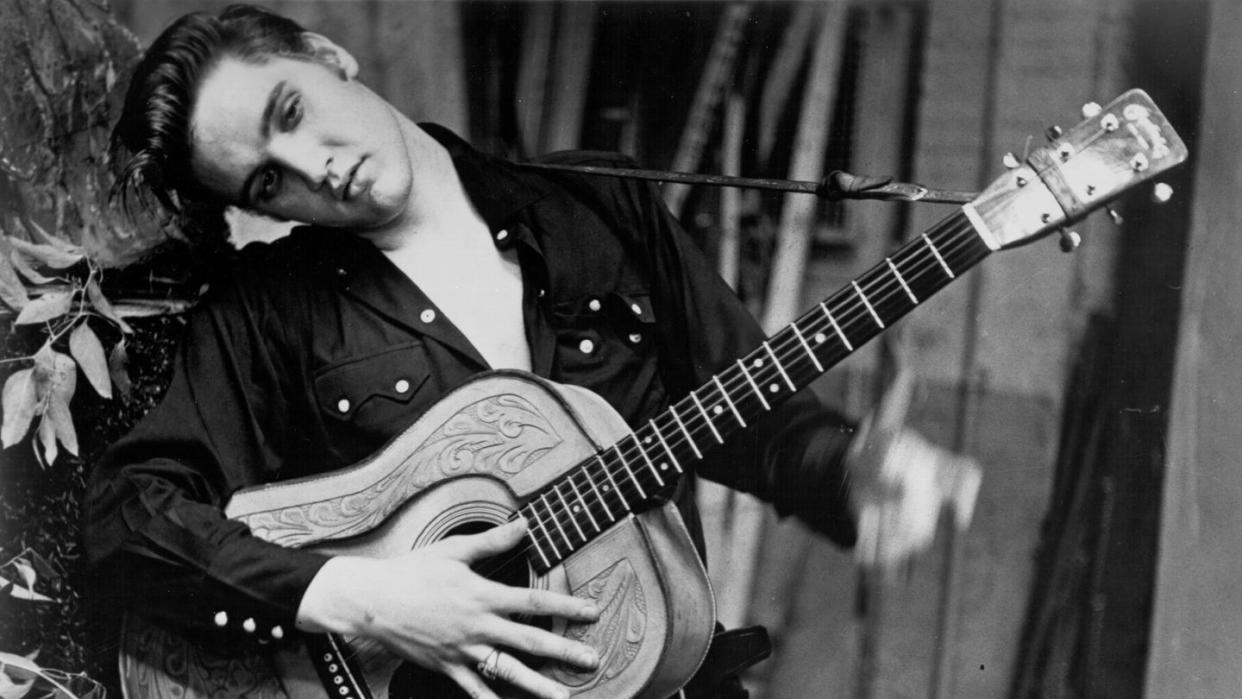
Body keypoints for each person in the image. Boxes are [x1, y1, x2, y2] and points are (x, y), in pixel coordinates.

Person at [86, 5, 979, 699]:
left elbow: (751, 416)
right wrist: (368, 599)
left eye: (292, 111)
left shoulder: (596, 203)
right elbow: (129, 512)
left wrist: (855, 469)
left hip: (655, 674)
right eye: (268, 181)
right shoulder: (266, 313)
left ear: (328, 58)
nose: (313, 166)